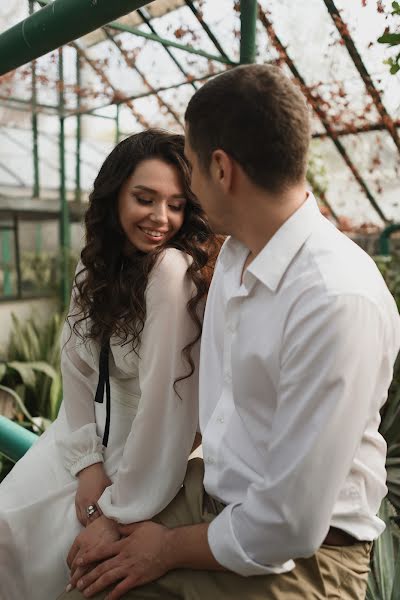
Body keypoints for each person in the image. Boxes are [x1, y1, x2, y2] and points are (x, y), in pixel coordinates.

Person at [62, 65, 400, 600]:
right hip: (218, 501)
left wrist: (165, 547)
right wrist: (114, 512)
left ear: (221, 168)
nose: (186, 188)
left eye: (190, 167)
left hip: (306, 556)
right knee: (80, 573)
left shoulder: (334, 299)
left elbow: (288, 524)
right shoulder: (237, 256)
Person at [0, 129, 218, 600]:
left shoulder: (171, 273)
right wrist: (86, 464)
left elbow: (166, 405)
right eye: (145, 198)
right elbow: (75, 370)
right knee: (6, 526)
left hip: (148, 456)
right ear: (115, 194)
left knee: (61, 560)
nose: (161, 218)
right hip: (84, 437)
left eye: (177, 204)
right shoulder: (95, 265)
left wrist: (119, 508)